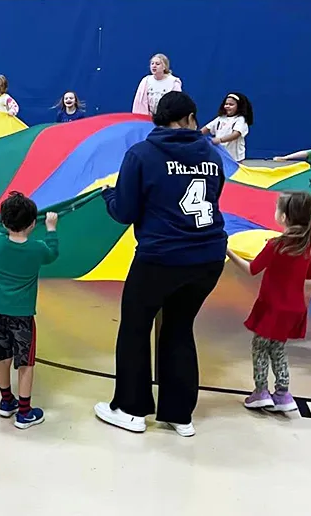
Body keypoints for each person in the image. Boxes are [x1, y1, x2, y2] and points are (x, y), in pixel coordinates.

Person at [95, 92, 227, 438]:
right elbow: (214, 199)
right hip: (209, 257)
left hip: (162, 258)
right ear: (190, 118)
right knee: (179, 327)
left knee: (136, 327)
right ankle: (180, 415)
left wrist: (108, 195)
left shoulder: (141, 154)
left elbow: (124, 212)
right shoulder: (212, 156)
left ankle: (131, 409)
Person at [237, 192, 311, 413]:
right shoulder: (308, 246)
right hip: (294, 310)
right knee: (278, 350)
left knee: (259, 349)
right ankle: (283, 393)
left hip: (271, 307)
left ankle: (261, 392)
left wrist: (228, 251)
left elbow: (252, 269)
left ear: (283, 217)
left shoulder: (275, 245)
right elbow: (310, 275)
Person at [0, 193, 60, 430]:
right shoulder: (37, 249)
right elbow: (52, 253)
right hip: (22, 316)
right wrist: (50, 228)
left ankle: (6, 401)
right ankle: (25, 412)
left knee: (2, 356)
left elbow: (0, 234)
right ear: (32, 223)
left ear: (4, 222)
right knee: (26, 363)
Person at [204, 92, 254, 161]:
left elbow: (236, 134)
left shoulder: (240, 119)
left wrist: (220, 140)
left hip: (234, 157)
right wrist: (195, 135)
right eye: (226, 104)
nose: (227, 106)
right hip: (220, 154)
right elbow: (207, 128)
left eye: (231, 104)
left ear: (239, 106)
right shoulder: (220, 118)